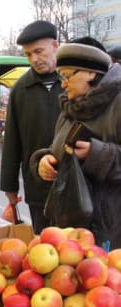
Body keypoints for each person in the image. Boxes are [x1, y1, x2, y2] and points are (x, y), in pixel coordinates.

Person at [30, 38, 121, 248]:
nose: (62, 83)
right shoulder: (71, 107)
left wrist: (94, 154)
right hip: (66, 220)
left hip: (108, 227)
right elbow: (57, 148)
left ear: (90, 72)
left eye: (66, 75)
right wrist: (44, 160)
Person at [0, 20, 64, 234]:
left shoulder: (72, 81)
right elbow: (12, 141)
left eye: (39, 51)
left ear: (55, 45)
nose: (34, 59)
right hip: (37, 186)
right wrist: (9, 185)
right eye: (28, 54)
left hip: (74, 185)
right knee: (43, 245)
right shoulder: (20, 89)